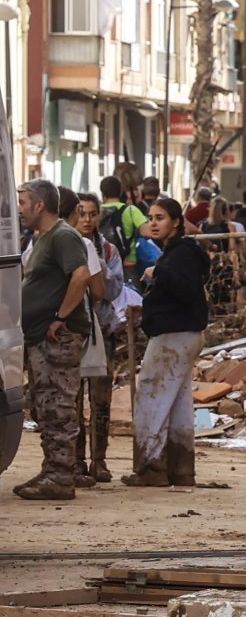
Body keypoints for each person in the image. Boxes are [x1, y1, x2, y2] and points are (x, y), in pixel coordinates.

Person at [15, 180, 94, 500]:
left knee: (58, 406)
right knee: (45, 406)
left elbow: (82, 275)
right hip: (40, 338)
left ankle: (61, 476)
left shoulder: (63, 236)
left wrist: (60, 317)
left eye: (23, 202)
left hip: (58, 338)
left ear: (40, 205)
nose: (18, 208)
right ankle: (53, 470)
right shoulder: (43, 238)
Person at [127, 197, 210, 488]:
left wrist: (157, 273)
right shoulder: (177, 253)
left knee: (152, 396)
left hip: (174, 334)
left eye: (160, 217)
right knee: (176, 402)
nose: (153, 222)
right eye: (150, 217)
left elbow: (185, 288)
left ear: (176, 222)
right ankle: (180, 468)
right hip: (183, 332)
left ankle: (151, 467)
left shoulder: (180, 254)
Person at [65, 193, 120, 488]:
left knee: (100, 401)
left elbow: (111, 290)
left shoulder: (107, 250)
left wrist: (99, 269)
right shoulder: (65, 246)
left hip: (103, 331)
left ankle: (99, 459)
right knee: (72, 401)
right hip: (73, 332)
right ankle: (75, 459)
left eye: (92, 214)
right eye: (82, 213)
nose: (87, 219)